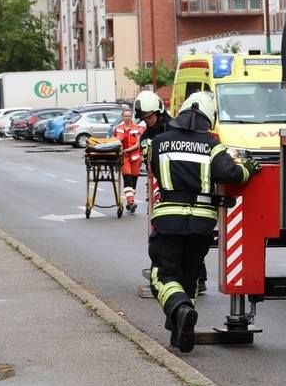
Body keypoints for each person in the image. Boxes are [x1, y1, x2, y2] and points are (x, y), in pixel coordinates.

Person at [143, 91, 261, 352]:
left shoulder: (159, 142)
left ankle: (181, 310)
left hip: (169, 219)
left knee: (162, 276)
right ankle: (180, 331)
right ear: (209, 118)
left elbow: (154, 169)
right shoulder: (212, 145)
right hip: (201, 224)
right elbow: (229, 173)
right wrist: (248, 169)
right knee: (190, 277)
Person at [134, 91, 171, 297]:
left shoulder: (175, 128)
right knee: (159, 231)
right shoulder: (146, 137)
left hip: (178, 189)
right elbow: (147, 159)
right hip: (158, 190)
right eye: (144, 118)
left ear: (159, 112)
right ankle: (160, 272)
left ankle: (197, 278)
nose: (147, 121)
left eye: (149, 116)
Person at [112, 108, 145, 213]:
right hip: (124, 157)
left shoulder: (137, 129)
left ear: (132, 117)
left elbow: (138, 144)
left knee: (133, 182)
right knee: (128, 179)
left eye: (129, 116)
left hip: (135, 158)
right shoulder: (118, 129)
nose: (127, 118)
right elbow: (114, 142)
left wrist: (127, 149)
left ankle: (130, 203)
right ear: (122, 117)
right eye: (125, 116)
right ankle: (131, 202)